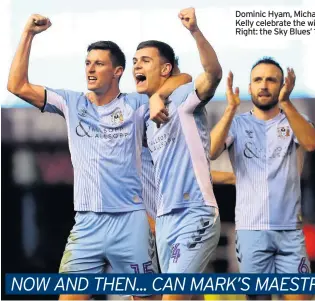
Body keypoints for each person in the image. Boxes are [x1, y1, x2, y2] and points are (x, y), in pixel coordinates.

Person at [7, 14, 191, 301]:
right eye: (87, 63)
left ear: (118, 72)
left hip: (130, 222)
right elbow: (17, 86)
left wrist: (157, 96)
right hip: (87, 224)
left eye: (99, 64)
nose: (91, 69)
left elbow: (184, 78)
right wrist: (28, 34)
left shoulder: (136, 104)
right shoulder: (70, 102)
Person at [210, 58, 315, 300]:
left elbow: (311, 142)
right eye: (258, 80)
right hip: (252, 231)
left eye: (271, 80)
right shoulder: (237, 123)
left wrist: (286, 103)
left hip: (289, 229)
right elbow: (211, 151)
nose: (264, 85)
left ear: (282, 86)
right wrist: (229, 109)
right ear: (249, 87)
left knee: (301, 298)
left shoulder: (293, 120)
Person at [133, 7, 222, 300]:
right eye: (135, 62)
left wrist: (195, 31)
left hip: (195, 212)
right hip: (165, 220)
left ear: (165, 69)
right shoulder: (146, 119)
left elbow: (212, 74)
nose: (137, 66)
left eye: (145, 61)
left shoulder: (183, 98)